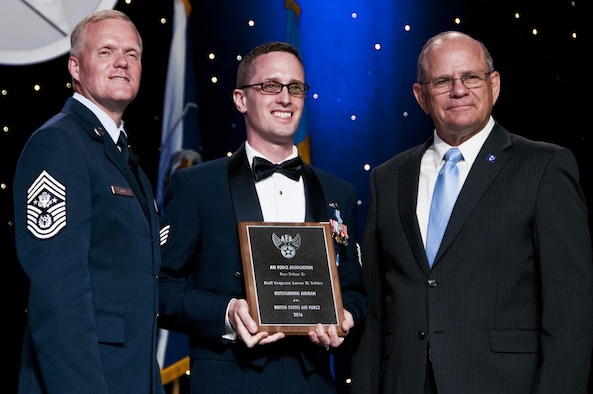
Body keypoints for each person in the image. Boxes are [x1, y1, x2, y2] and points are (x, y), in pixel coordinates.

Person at [351, 30, 593, 393]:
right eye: (443, 81)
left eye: (471, 77)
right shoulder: (388, 179)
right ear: (421, 96)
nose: (458, 90)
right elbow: (374, 308)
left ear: (494, 85)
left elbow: (569, 311)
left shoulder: (543, 166)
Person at [157, 41, 367, 393]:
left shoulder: (339, 193)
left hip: (311, 383)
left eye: (295, 88)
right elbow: (160, 289)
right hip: (229, 381)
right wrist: (226, 312)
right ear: (240, 99)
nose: (285, 98)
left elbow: (356, 293)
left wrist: (345, 317)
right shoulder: (196, 186)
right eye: (270, 86)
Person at [13, 10, 164, 394]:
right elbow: (58, 296)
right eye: (106, 52)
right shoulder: (59, 145)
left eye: (132, 54)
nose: (121, 63)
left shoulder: (122, 156)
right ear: (75, 68)